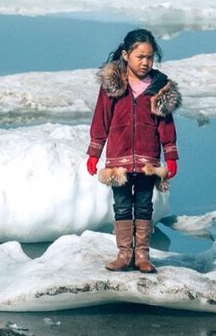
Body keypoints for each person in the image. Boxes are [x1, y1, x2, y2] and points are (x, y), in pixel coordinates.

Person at [86, 28, 181, 273]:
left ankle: (142, 255)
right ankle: (124, 253)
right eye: (140, 57)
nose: (145, 62)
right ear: (126, 55)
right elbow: (101, 119)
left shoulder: (160, 86)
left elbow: (166, 124)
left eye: (149, 57)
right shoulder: (113, 84)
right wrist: (94, 152)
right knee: (121, 204)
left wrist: (170, 155)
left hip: (148, 158)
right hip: (119, 157)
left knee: (143, 205)